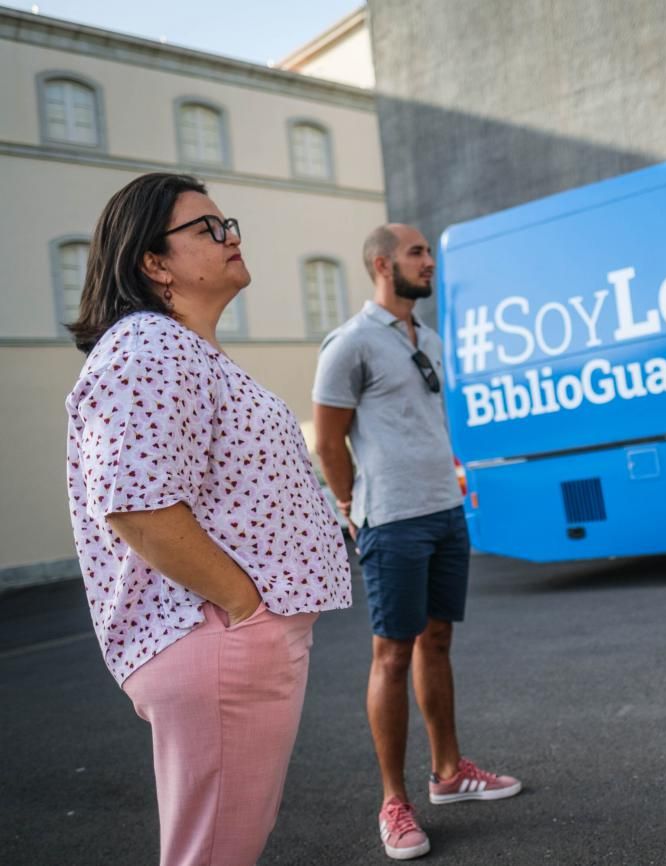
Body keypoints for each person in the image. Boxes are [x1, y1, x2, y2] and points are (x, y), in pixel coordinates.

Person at [64, 173, 352, 866]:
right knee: (215, 852)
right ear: (153, 262)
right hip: (220, 634)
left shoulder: (180, 350)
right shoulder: (148, 348)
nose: (232, 238)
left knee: (224, 843)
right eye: (208, 229)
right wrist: (246, 608)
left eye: (230, 224)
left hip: (230, 634)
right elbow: (138, 506)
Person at [312, 223, 521, 860]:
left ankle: (449, 773)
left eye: (428, 252)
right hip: (393, 522)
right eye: (417, 253)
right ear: (382, 264)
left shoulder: (426, 337)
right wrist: (353, 506)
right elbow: (326, 441)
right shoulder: (349, 345)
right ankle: (393, 802)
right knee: (392, 656)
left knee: (437, 640)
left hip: (444, 511)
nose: (429, 262)